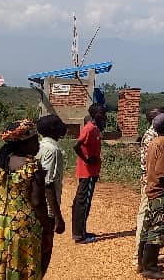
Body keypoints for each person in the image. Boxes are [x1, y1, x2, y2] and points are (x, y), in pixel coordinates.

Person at [0, 119, 52, 280]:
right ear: (22, 144)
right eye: (34, 141)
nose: (37, 145)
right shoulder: (32, 166)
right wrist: (47, 229)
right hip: (23, 230)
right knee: (21, 270)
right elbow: (37, 202)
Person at [133, 107, 164, 269]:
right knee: (157, 229)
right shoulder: (163, 143)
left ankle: (143, 262)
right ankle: (149, 266)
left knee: (148, 225)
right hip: (160, 191)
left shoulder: (155, 140)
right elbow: (162, 172)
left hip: (152, 188)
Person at [36, 114, 68, 275]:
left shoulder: (40, 146)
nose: (63, 126)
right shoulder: (52, 150)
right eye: (59, 123)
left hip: (36, 205)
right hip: (47, 209)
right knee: (45, 250)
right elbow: (47, 184)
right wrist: (57, 216)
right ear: (53, 129)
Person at [71, 103, 105, 244]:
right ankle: (80, 236)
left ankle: (82, 231)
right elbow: (76, 145)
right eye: (102, 113)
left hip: (91, 171)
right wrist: (86, 159)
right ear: (96, 115)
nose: (105, 116)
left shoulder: (95, 128)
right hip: (88, 172)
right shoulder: (89, 128)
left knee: (84, 201)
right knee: (83, 202)